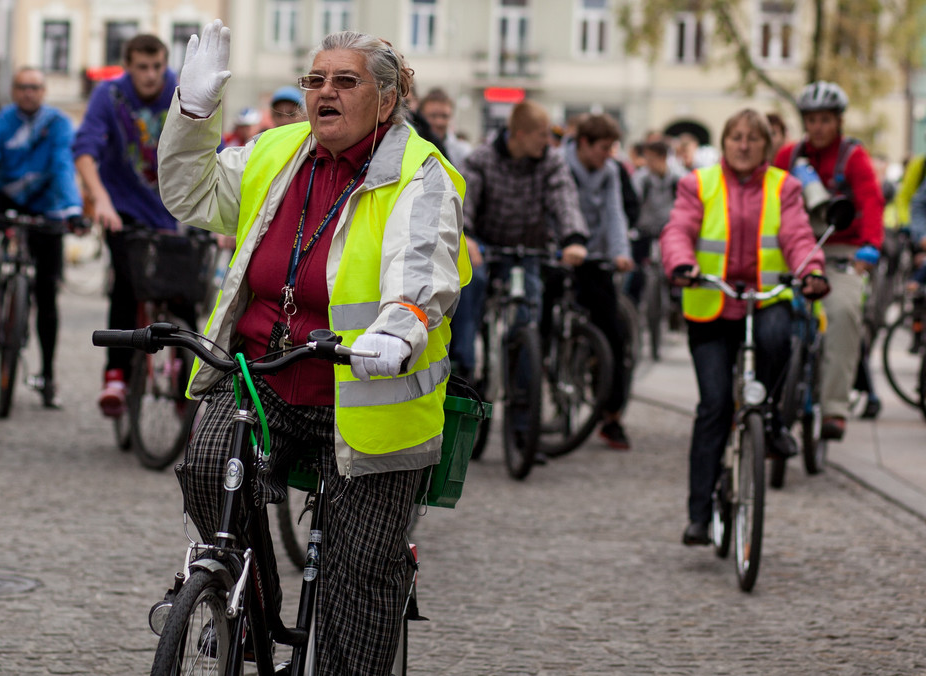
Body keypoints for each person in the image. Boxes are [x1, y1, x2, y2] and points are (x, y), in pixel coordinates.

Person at [158, 22, 469, 674]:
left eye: (345, 81)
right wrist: (192, 112)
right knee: (209, 466)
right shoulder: (278, 151)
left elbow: (425, 271)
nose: (324, 92)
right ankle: (236, 600)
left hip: (367, 390)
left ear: (387, 99)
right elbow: (190, 194)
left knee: (359, 574)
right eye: (315, 79)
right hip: (266, 373)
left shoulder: (419, 174)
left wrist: (399, 327)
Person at [663, 109, 830, 545]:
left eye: (752, 138)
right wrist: (681, 263)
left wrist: (811, 270)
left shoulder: (785, 186)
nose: (743, 144)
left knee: (780, 337)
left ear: (766, 146)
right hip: (711, 303)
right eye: (735, 136)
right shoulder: (697, 183)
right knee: (715, 405)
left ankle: (771, 417)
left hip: (764, 299)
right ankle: (699, 515)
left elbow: (797, 236)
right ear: (723, 142)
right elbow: (678, 229)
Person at [72, 33, 190, 418]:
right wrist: (100, 200)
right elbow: (85, 150)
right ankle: (116, 377)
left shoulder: (180, 90)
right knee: (126, 283)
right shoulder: (109, 95)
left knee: (183, 293)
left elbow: (211, 145)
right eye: (142, 67)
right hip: (122, 207)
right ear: (129, 65)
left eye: (157, 66)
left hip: (174, 208)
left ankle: (187, 386)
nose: (151, 75)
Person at [0, 67, 83, 409]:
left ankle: (47, 374)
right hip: (8, 198)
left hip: (49, 205)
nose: (29, 93)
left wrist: (73, 208)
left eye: (35, 87)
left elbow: (62, 165)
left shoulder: (58, 123)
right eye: (23, 87)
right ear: (14, 91)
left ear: (43, 91)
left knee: (46, 295)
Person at [773, 81, 885, 441]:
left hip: (842, 252)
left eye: (825, 120)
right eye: (811, 120)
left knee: (843, 312)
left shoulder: (853, 157)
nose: (817, 127)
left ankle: (835, 408)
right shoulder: (788, 156)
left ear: (838, 121)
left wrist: (870, 246)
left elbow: (871, 202)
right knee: (768, 316)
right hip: (795, 250)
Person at [450, 99, 589, 386]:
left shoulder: (550, 162)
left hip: (529, 248)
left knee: (528, 314)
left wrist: (573, 238)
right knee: (470, 283)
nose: (548, 141)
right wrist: (465, 236)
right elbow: (463, 199)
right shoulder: (481, 159)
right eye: (542, 134)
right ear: (521, 134)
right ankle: (462, 367)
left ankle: (524, 403)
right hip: (486, 247)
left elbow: (564, 198)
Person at [560, 113, 635, 450]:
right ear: (584, 144)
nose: (609, 154)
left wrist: (621, 252)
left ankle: (611, 416)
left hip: (596, 259)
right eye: (604, 148)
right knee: (540, 323)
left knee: (614, 335)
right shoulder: (558, 164)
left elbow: (614, 214)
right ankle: (527, 403)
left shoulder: (610, 173)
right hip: (560, 256)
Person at [626, 140, 680, 304]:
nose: (647, 163)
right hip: (645, 232)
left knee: (676, 272)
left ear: (663, 157)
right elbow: (632, 203)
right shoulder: (641, 178)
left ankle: (676, 305)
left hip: (669, 233)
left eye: (651, 159)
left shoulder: (678, 178)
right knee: (636, 273)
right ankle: (633, 306)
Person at [418, 88, 472, 166]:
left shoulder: (462, 151)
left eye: (444, 116)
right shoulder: (414, 148)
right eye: (433, 116)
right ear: (421, 116)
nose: (439, 122)